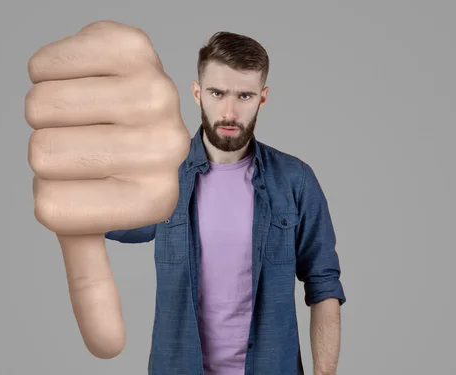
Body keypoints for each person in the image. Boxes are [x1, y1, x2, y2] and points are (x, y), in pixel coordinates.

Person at [105, 30, 347, 375]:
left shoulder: (295, 180)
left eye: (244, 95)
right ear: (197, 93)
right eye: (217, 93)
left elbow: (323, 283)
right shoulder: (162, 176)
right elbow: (102, 217)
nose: (229, 112)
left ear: (262, 98)